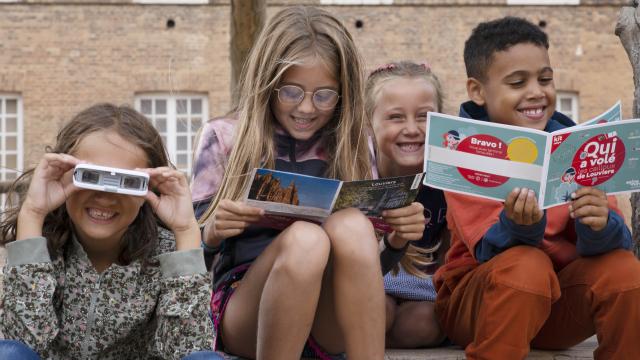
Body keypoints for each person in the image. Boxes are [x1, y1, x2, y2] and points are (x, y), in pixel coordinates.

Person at [190, 6, 425, 360]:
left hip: (327, 314)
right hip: (246, 311)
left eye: (324, 95)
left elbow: (365, 268)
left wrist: (395, 240)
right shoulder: (224, 137)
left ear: (343, 93)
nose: (306, 108)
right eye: (291, 92)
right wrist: (212, 232)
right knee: (306, 239)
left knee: (350, 225)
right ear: (267, 83)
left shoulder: (356, 140)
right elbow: (188, 262)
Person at [433, 17, 640, 359]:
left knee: (625, 271)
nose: (536, 92)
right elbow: (487, 250)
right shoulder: (463, 150)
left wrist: (598, 223)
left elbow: (610, 245)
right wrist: (521, 226)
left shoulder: (577, 145)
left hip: (557, 304)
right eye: (517, 82)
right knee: (526, 264)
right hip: (480, 305)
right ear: (477, 91)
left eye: (545, 79)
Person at [0, 104, 220, 360]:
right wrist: (33, 213)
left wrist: (185, 230)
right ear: (63, 175)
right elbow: (22, 344)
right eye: (90, 176)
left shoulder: (167, 253)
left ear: (148, 191)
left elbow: (188, 351)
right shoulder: (41, 246)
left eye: (127, 182)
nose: (105, 196)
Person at [365, 61, 447, 349]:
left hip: (424, 290)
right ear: (368, 123)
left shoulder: (448, 176)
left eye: (424, 116)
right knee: (378, 310)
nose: (412, 129)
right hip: (368, 286)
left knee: (425, 324)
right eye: (396, 117)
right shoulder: (357, 172)